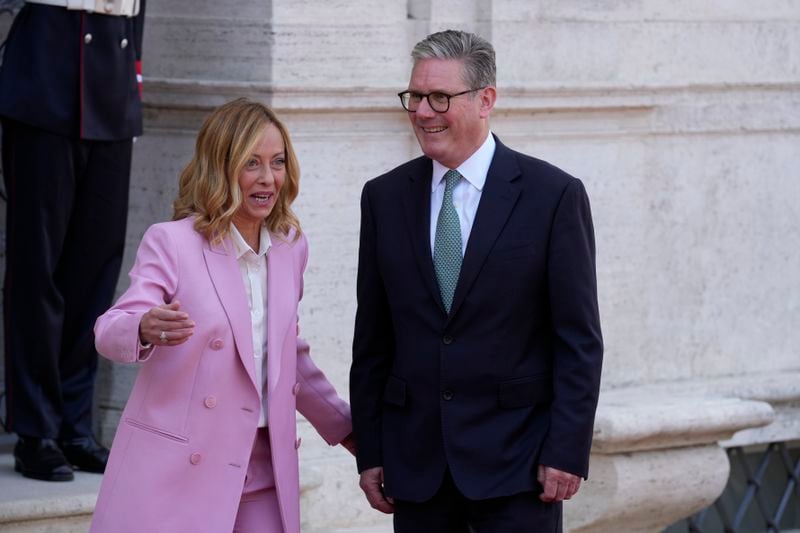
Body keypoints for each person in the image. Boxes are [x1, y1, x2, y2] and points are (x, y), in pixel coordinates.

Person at [350, 30, 603, 531]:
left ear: (486, 99)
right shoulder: (383, 197)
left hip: (521, 467)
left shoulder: (552, 196)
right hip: (416, 469)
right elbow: (373, 339)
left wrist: (567, 449)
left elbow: (578, 339)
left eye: (440, 97)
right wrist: (372, 450)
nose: (423, 112)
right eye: (415, 97)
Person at [89, 98, 354, 533]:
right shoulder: (172, 242)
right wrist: (143, 326)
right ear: (221, 168)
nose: (268, 178)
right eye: (252, 163)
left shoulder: (290, 247)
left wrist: (346, 429)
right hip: (182, 467)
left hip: (266, 467)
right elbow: (111, 326)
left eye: (278, 162)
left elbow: (287, 358)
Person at [0, 0, 146, 481]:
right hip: (45, 69)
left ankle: (73, 426)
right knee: (37, 268)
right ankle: (35, 429)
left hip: (115, 73)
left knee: (96, 268)